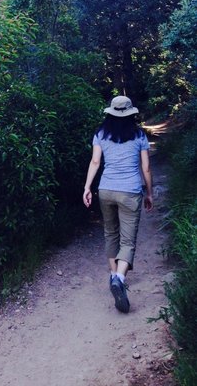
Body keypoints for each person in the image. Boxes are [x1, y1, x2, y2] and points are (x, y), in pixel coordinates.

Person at [83, 95, 154, 313]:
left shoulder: (101, 133)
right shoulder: (139, 134)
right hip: (130, 192)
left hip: (106, 190)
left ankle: (113, 275)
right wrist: (149, 193)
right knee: (128, 239)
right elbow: (146, 168)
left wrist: (87, 187)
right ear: (131, 114)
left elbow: (95, 162)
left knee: (110, 233)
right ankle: (120, 279)